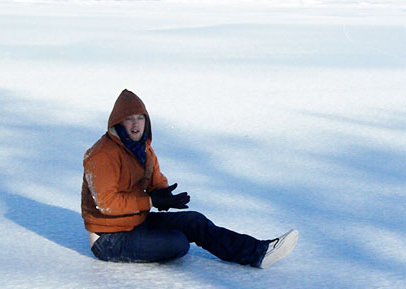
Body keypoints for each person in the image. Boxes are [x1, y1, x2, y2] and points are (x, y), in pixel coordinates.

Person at [81, 89, 298, 267]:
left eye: (140, 118)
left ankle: (258, 252)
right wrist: (151, 201)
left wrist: (163, 193)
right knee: (178, 243)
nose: (136, 125)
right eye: (129, 119)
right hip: (108, 237)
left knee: (194, 221)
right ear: (118, 122)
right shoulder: (102, 155)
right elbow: (106, 204)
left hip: (137, 221)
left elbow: (155, 180)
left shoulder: (143, 149)